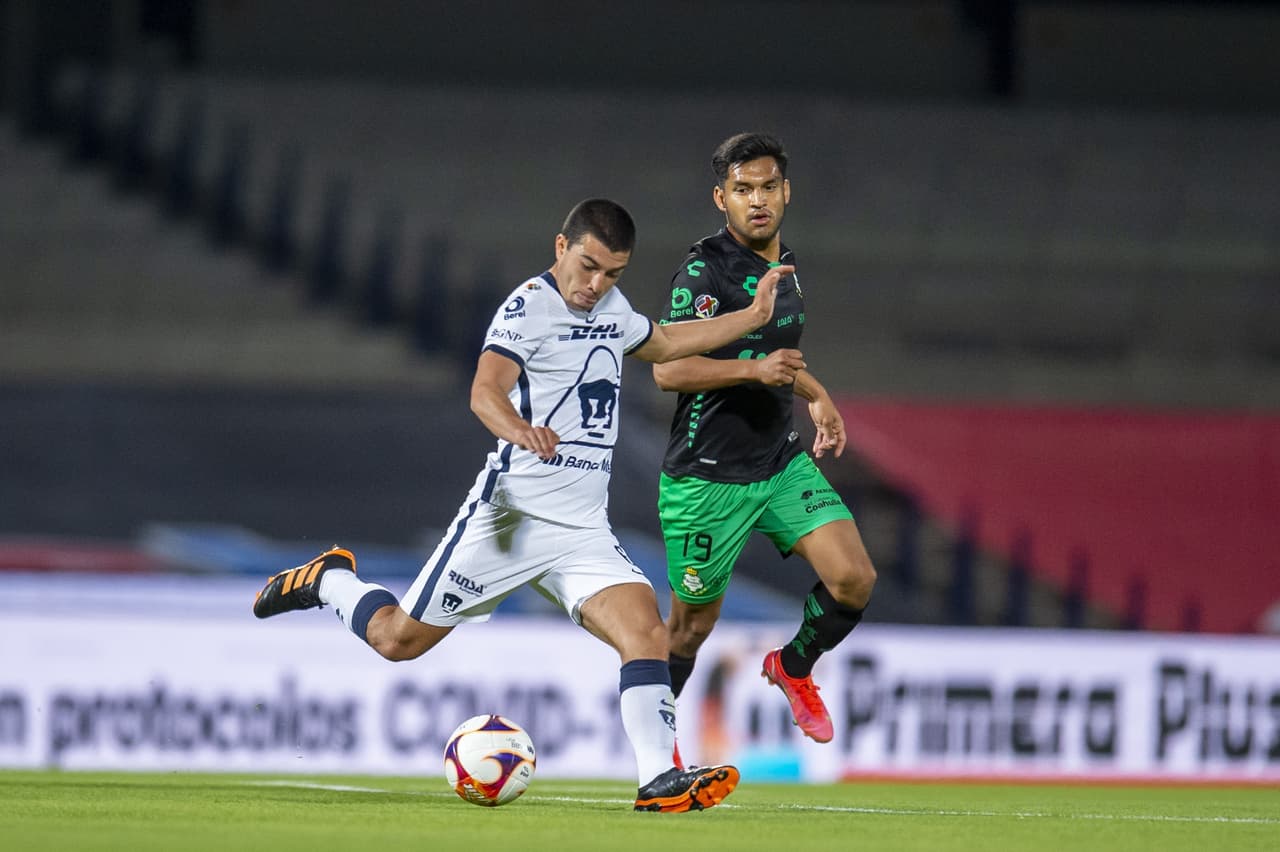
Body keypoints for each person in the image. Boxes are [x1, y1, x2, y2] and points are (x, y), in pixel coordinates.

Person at [253, 198, 792, 812]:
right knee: (398, 640)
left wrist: (751, 316)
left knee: (647, 632)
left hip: (583, 529)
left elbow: (666, 342)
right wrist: (518, 429)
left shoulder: (612, 310)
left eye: (612, 273)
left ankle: (657, 781)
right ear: (561, 247)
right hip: (510, 520)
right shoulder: (526, 308)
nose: (596, 285)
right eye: (588, 266)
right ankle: (332, 581)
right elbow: (485, 391)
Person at [653, 133, 877, 748]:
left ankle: (793, 667)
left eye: (768, 187)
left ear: (787, 192)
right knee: (690, 630)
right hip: (706, 479)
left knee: (854, 578)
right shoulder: (703, 273)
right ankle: (656, 743)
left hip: (777, 463)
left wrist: (817, 394)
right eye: (743, 189)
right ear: (721, 198)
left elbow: (775, 356)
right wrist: (754, 372)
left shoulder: (785, 267)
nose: (758, 200)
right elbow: (667, 369)